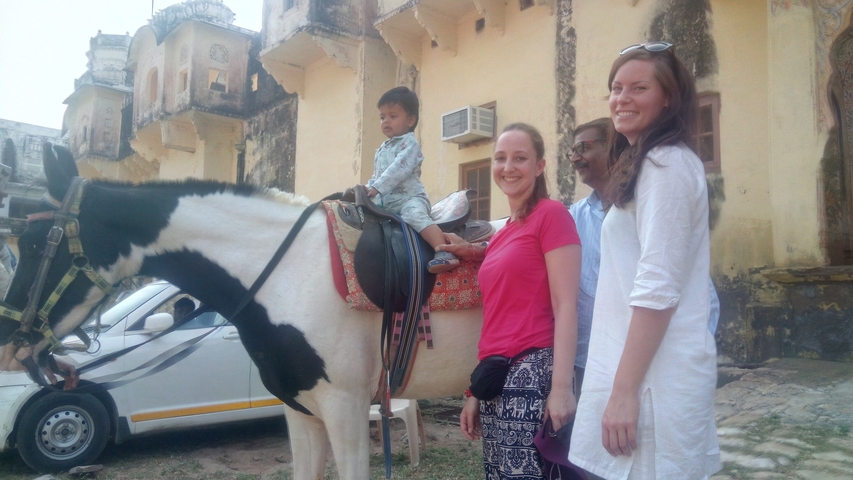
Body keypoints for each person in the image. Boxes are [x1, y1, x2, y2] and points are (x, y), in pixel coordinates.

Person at [569, 43, 721, 479]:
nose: (622, 98)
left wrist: (624, 393)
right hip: (639, 372)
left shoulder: (666, 165)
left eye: (639, 87)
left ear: (668, 97)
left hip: (654, 380)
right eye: (616, 88)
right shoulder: (647, 162)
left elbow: (658, 287)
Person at [442, 123, 581, 479]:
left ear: (539, 166)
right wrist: (476, 390)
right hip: (498, 376)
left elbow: (566, 304)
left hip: (533, 372)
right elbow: (498, 317)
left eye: (520, 158)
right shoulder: (504, 232)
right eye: (500, 158)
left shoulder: (552, 215)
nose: (508, 167)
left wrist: (562, 389)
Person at [568, 118, 721, 397]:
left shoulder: (651, 204)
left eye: (583, 147)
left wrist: (686, 359)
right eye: (572, 150)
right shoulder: (573, 217)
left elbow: (701, 296)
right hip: (591, 361)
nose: (575, 157)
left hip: (653, 365)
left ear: (613, 147)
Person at [366, 86, 459, 274]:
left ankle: (444, 251)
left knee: (414, 215)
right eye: (382, 117)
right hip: (387, 203)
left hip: (409, 199)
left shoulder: (410, 144)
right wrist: (365, 189)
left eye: (393, 116)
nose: (386, 121)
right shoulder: (382, 149)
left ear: (410, 120)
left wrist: (375, 188)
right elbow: (377, 176)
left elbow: (397, 170)